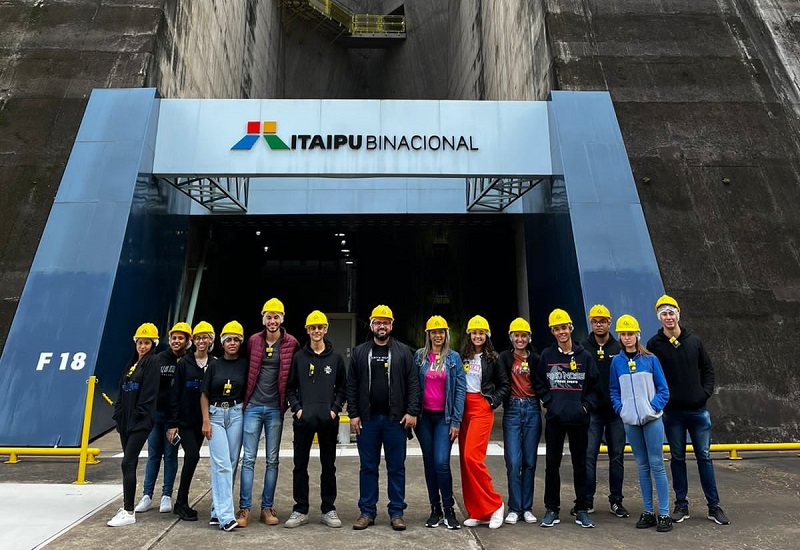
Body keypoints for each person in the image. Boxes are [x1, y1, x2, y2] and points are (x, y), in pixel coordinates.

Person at [647, 295, 730, 526]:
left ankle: (713, 506)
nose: (668, 317)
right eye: (664, 314)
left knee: (704, 457)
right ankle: (681, 505)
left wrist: (704, 394)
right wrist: (662, 401)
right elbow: (651, 375)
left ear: (678, 314)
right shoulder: (654, 345)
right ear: (659, 317)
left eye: (671, 313)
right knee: (677, 458)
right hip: (672, 413)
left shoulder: (694, 341)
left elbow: (708, 369)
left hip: (698, 411)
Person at [347, 305, 420, 531]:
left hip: (395, 421)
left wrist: (412, 411)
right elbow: (352, 385)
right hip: (367, 420)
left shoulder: (403, 352)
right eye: (378, 322)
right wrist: (353, 414)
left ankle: (396, 512)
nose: (382, 326)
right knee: (368, 467)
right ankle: (367, 512)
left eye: (386, 322)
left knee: (396, 467)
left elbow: (413, 384)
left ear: (391, 325)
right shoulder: (360, 352)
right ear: (371, 325)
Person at [535, 309, 600, 529]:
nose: (561, 332)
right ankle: (552, 509)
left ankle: (582, 509)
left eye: (564, 327)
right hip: (555, 419)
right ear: (552, 332)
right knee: (552, 465)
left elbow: (595, 387)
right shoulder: (547, 356)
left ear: (570, 328)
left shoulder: (585, 356)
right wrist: (550, 403)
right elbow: (539, 383)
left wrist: (585, 407)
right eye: (557, 329)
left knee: (580, 465)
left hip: (579, 420)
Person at [237, 298, 300, 527]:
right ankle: (244, 509)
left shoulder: (292, 343)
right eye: (269, 317)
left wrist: (291, 404)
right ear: (263, 319)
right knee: (249, 459)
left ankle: (267, 507)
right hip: (253, 407)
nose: (272, 321)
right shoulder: (254, 341)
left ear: (282, 319)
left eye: (276, 317)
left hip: (275, 408)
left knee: (272, 460)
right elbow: (245, 368)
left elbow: (295, 374)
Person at [285, 310, 347, 529]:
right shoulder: (299, 358)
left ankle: (328, 509)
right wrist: (297, 409)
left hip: (328, 421)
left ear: (326, 329)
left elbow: (343, 388)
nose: (317, 331)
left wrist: (334, 409)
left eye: (320, 327)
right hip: (303, 421)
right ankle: (300, 509)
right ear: (307, 330)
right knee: (299, 466)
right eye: (313, 328)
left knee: (328, 466)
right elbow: (290, 388)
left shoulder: (336, 358)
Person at [609, 314, 672, 532]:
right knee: (642, 466)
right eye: (623, 334)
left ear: (638, 335)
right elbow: (614, 390)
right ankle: (647, 511)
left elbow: (663, 390)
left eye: (630, 334)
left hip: (652, 420)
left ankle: (664, 513)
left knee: (657, 464)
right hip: (631, 422)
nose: (627, 338)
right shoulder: (616, 362)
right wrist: (621, 409)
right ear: (619, 336)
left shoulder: (650, 359)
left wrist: (652, 408)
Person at [413, 315, 466, 530]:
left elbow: (460, 390)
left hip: (445, 418)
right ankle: (435, 509)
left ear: (446, 334)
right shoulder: (420, 357)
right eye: (433, 332)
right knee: (429, 462)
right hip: (424, 419)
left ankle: (449, 509)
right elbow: (413, 386)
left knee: (441, 462)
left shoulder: (454, 358)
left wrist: (456, 421)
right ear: (428, 335)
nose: (437, 336)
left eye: (441, 332)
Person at [135, 322, 192, 514]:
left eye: (180, 338)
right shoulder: (158, 359)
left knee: (170, 455)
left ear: (187, 341)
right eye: (174, 338)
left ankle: (166, 495)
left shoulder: (188, 361)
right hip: (156, 416)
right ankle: (147, 495)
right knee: (153, 455)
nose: (176, 341)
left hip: (174, 419)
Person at [107, 323, 161, 527]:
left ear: (153, 344)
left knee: (127, 462)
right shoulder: (132, 364)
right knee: (129, 463)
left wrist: (138, 415)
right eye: (140, 342)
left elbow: (149, 394)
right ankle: (127, 505)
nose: (142, 346)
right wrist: (118, 413)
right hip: (125, 422)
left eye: (147, 343)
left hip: (140, 423)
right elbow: (122, 389)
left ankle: (129, 512)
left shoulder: (152, 362)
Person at [459, 315, 509, 530]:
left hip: (481, 407)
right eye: (474, 333)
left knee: (472, 457)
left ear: (487, 335)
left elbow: (505, 385)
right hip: (463, 409)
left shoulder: (493, 358)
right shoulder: (462, 356)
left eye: (481, 333)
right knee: (464, 462)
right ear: (469, 335)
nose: (478, 336)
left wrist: (491, 402)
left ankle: (495, 504)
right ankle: (478, 511)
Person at [167, 321, 217, 521]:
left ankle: (182, 502)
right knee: (193, 456)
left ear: (211, 340)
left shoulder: (214, 363)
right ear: (193, 341)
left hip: (203, 421)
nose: (201, 341)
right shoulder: (184, 363)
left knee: (193, 458)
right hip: (185, 421)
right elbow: (175, 393)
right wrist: (172, 423)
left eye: (205, 337)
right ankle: (181, 502)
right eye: (198, 338)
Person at [201, 321, 248, 532]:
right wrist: (206, 421)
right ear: (222, 342)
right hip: (216, 415)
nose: (232, 343)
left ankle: (216, 510)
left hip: (236, 414)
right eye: (228, 339)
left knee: (231, 462)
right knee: (222, 464)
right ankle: (226, 516)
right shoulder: (214, 365)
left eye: (236, 340)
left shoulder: (245, 364)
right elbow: (204, 394)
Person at [581, 304, 627, 518]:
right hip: (592, 412)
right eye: (595, 321)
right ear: (591, 323)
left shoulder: (619, 348)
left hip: (615, 412)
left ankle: (616, 501)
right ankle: (587, 500)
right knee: (589, 456)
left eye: (603, 321)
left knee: (616, 457)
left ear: (609, 323)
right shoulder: (583, 348)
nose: (599, 325)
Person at [500, 317, 541, 525]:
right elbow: (499, 381)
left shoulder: (536, 359)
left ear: (529, 338)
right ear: (511, 337)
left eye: (523, 336)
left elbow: (542, 383)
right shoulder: (504, 358)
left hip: (532, 408)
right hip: (513, 410)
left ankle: (527, 507)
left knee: (529, 461)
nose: (520, 339)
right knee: (514, 461)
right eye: (516, 336)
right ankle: (514, 508)